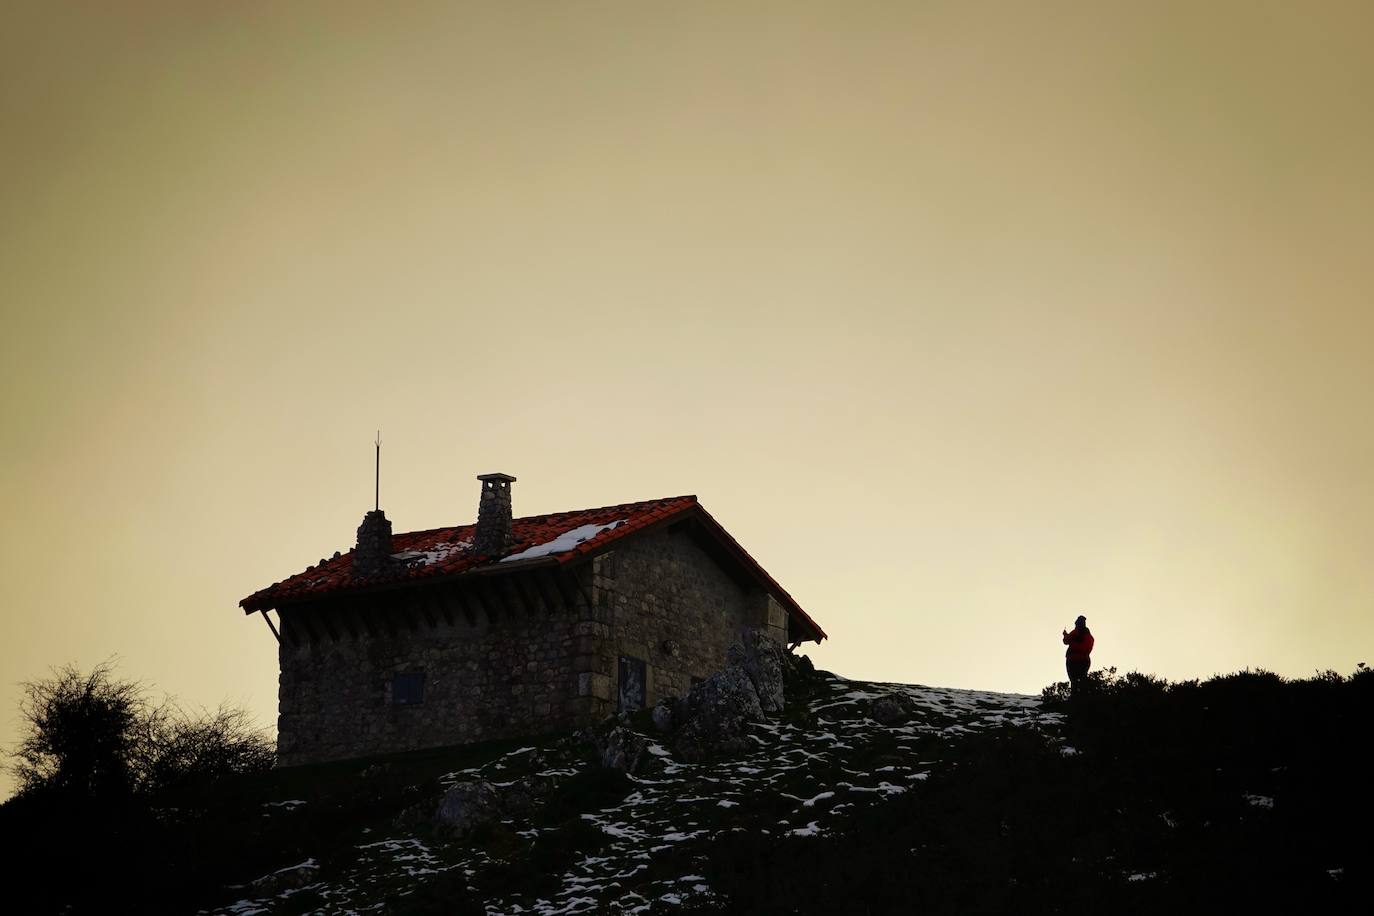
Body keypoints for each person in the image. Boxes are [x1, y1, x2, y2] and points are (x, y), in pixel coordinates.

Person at [1062, 615, 1094, 688]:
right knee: (1082, 681)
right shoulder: (1089, 636)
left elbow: (1066, 641)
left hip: (1073, 660)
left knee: (1074, 682)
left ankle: (1075, 694)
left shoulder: (1075, 632)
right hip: (1085, 661)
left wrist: (1065, 635)